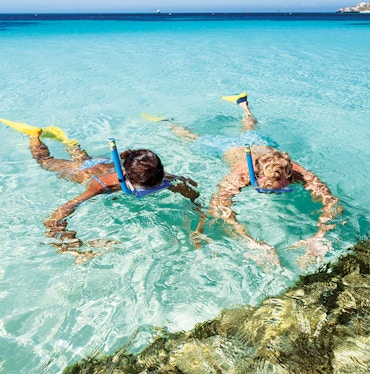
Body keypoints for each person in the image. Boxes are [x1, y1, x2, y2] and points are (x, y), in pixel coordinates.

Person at [168, 93, 342, 267]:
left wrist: (320, 237)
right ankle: (169, 122)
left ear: (289, 175)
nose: (277, 193)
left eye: (283, 188)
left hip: (258, 142)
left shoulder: (297, 172)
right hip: (229, 148)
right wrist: (249, 241)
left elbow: (332, 202)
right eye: (268, 190)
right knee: (193, 138)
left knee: (250, 126)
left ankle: (243, 104)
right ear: (256, 176)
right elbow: (218, 207)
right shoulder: (241, 175)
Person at [0, 118, 199, 262]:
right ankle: (34, 137)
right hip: (87, 173)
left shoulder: (163, 178)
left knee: (86, 158)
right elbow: (62, 211)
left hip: (106, 164)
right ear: (126, 179)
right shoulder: (103, 185)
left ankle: (72, 145)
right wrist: (68, 242)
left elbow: (193, 192)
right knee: (46, 162)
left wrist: (197, 223)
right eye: (144, 189)